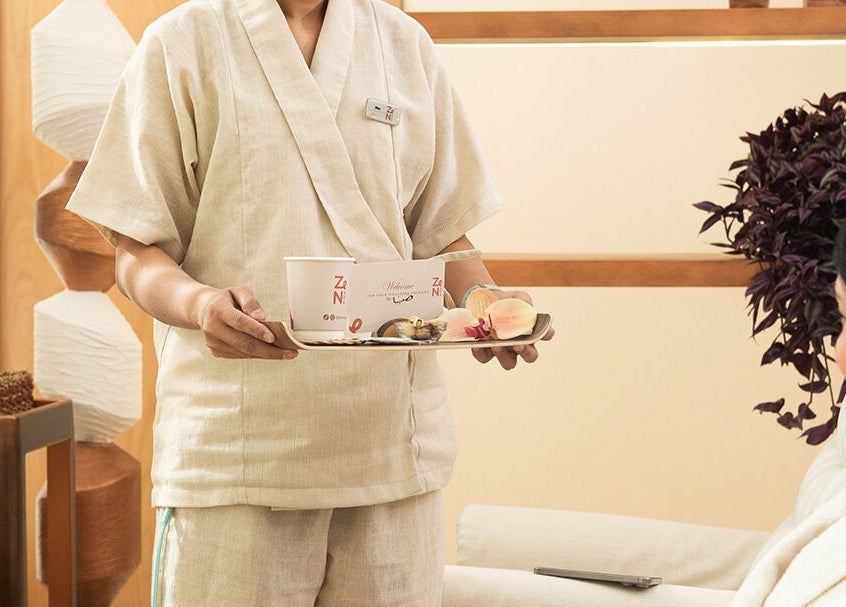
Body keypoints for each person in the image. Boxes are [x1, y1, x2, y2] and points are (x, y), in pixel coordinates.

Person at [67, 0, 552, 604]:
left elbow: (441, 232)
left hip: (390, 449)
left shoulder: (403, 44)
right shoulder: (183, 42)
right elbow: (135, 247)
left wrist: (484, 304)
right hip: (239, 452)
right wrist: (198, 304)